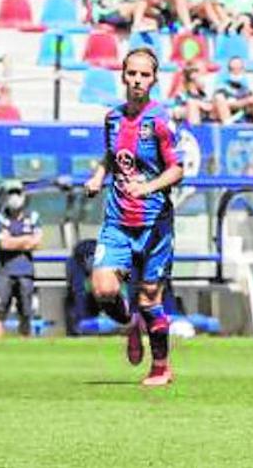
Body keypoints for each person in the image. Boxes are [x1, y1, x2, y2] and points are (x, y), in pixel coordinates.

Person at [83, 48, 186, 386]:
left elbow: (177, 170)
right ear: (123, 76)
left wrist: (149, 188)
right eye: (132, 74)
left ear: (154, 79)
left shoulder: (160, 120)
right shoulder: (112, 118)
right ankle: (129, 323)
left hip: (154, 224)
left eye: (144, 75)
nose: (138, 80)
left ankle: (160, 367)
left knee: (149, 298)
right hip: (117, 220)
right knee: (103, 288)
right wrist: (99, 176)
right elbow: (111, 157)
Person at [0, 180, 40, 338]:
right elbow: (4, 244)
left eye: (17, 193)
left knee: (26, 311)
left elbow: (37, 242)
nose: (14, 197)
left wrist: (14, 240)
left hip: (25, 271)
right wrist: (25, 240)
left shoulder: (33, 216)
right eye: (11, 194)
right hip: (5, 271)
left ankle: (25, 344)